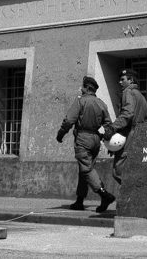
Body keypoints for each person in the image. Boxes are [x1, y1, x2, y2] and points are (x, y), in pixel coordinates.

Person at [56, 76, 114, 212]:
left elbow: (69, 120)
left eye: (82, 87)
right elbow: (108, 125)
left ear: (87, 88)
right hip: (95, 139)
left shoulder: (80, 101)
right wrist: (104, 137)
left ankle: (103, 194)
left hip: (83, 138)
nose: (81, 89)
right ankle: (79, 201)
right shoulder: (101, 103)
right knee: (85, 170)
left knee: (86, 169)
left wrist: (60, 134)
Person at [103, 68, 147, 191]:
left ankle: (134, 195)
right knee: (132, 169)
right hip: (139, 134)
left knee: (119, 171)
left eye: (123, 79)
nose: (119, 82)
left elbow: (127, 114)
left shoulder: (128, 92)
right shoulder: (140, 95)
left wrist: (112, 128)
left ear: (131, 80)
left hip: (129, 134)